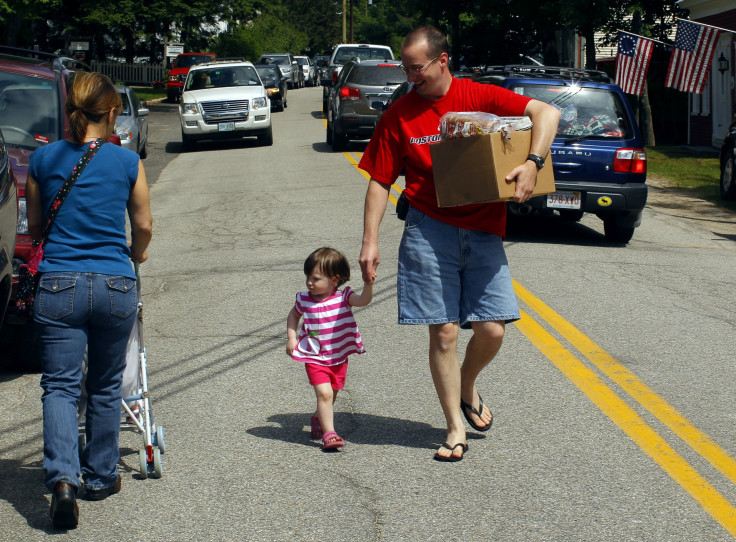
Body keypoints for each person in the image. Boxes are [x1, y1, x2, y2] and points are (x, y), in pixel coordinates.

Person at [358, 26, 560, 462]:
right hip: (429, 229)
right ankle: (454, 428)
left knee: (491, 329)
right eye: (407, 69)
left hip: (485, 228)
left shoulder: (478, 96)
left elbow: (546, 113)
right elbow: (379, 180)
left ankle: (468, 382)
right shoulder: (399, 114)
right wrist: (369, 242)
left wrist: (532, 163)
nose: (411, 77)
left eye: (417, 68)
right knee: (445, 332)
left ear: (442, 60)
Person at [25, 71, 153, 528]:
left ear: (69, 111)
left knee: (59, 386)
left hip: (59, 284)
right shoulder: (127, 162)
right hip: (115, 283)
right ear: (113, 112)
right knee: (103, 383)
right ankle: (100, 474)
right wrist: (135, 255)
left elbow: (35, 227)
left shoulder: (42, 160)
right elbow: (143, 227)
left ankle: (63, 480)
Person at [286, 247, 373, 450]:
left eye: (315, 278)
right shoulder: (304, 299)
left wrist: (369, 284)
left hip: (338, 356)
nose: (309, 282)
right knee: (324, 394)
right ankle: (330, 434)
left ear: (335, 279)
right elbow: (293, 316)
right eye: (308, 277)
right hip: (314, 355)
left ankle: (318, 417)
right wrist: (292, 338)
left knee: (333, 392)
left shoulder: (344, 297)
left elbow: (363, 300)